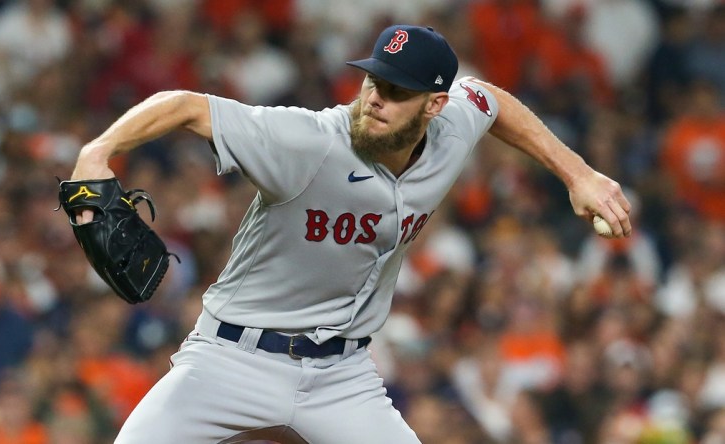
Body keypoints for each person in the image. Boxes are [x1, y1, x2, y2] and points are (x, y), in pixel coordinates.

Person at [69, 24, 632, 443]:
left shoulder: (453, 126)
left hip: (341, 375)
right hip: (232, 359)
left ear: (435, 105)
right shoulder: (306, 143)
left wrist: (577, 173)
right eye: (372, 81)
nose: (375, 99)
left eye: (395, 91)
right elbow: (186, 106)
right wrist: (98, 152)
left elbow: (490, 99)